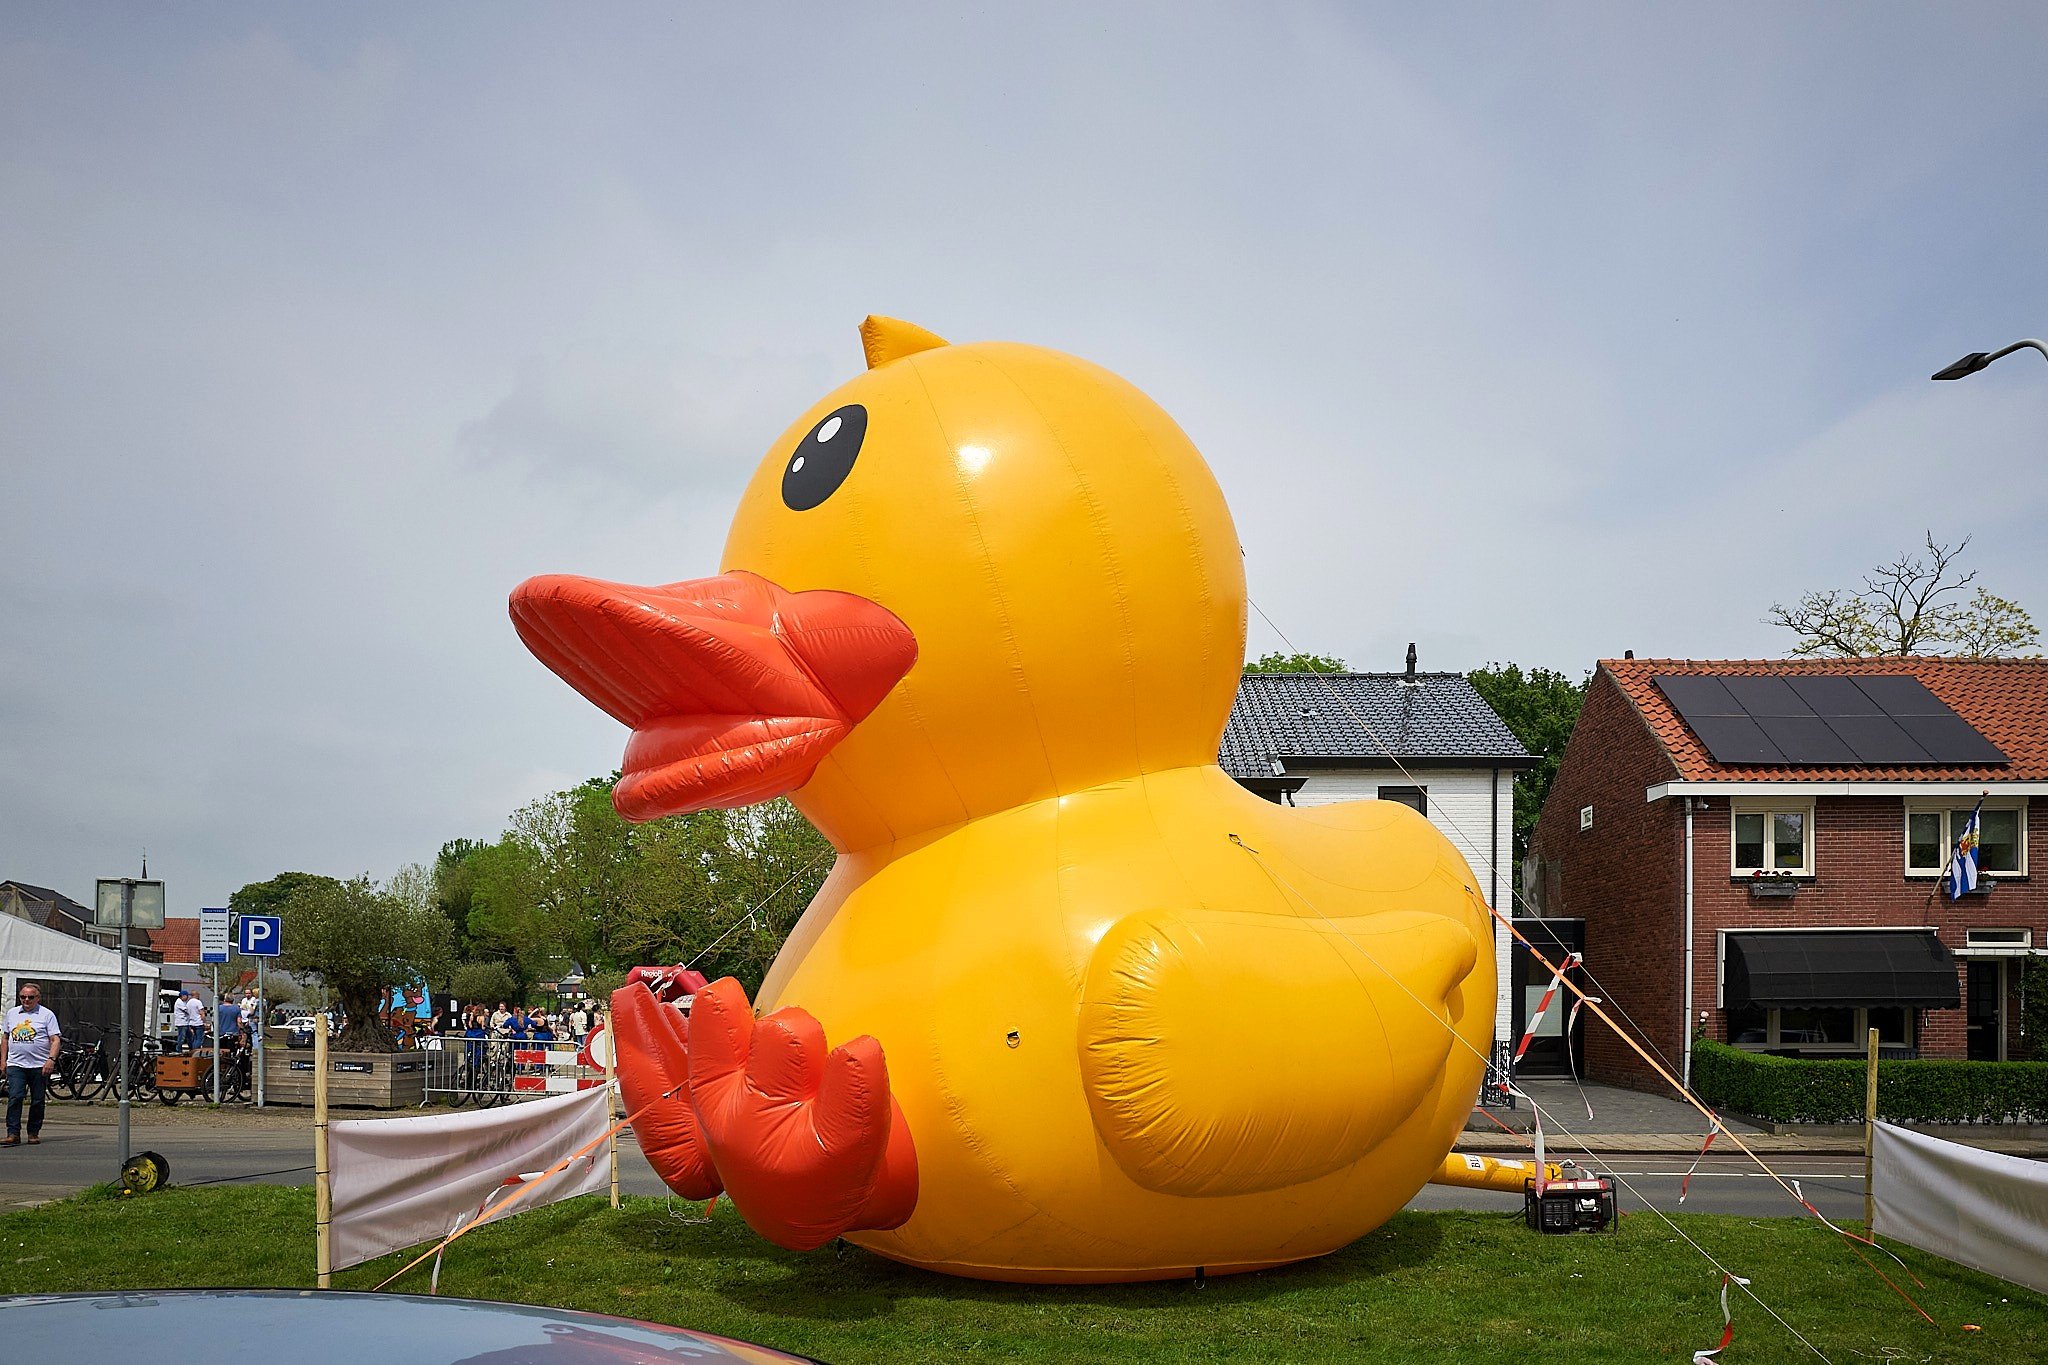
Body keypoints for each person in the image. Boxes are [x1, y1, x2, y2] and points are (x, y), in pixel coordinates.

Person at [5, 981, 61, 1146]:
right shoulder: (12, 1013)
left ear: (38, 998)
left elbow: (55, 1039)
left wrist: (51, 1059)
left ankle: (33, 1132)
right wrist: (3, 1060)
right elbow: (5, 1038)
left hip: (39, 1065)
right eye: (23, 997)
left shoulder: (46, 1015)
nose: (26, 1000)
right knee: (15, 1097)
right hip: (16, 1064)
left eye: (30, 997)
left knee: (37, 1100)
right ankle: (13, 1133)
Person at [172, 987, 206, 1053]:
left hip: (189, 1023)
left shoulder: (188, 1002)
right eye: (186, 996)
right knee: (183, 1038)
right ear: (183, 996)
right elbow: (188, 1010)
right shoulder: (179, 1002)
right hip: (182, 1023)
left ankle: (191, 1049)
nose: (187, 997)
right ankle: (180, 1050)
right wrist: (204, 1020)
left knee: (191, 1037)